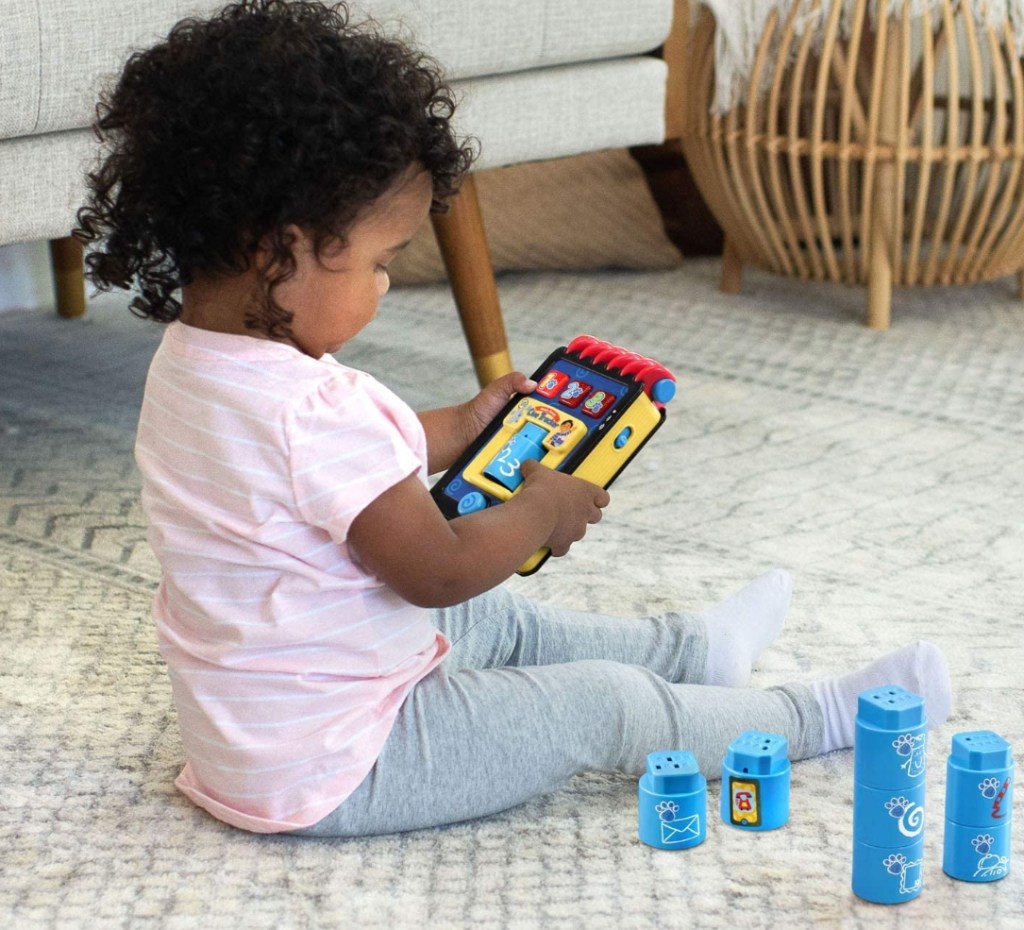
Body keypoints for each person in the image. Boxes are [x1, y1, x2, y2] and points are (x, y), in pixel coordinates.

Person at [74, 0, 952, 837]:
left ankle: (693, 649)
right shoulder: (314, 407)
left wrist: (461, 423)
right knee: (596, 703)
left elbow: (315, 473)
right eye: (381, 262)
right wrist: (541, 512)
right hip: (351, 763)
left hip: (255, 743)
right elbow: (441, 570)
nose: (384, 286)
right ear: (282, 250)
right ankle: (815, 717)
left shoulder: (189, 366)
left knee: (489, 632)